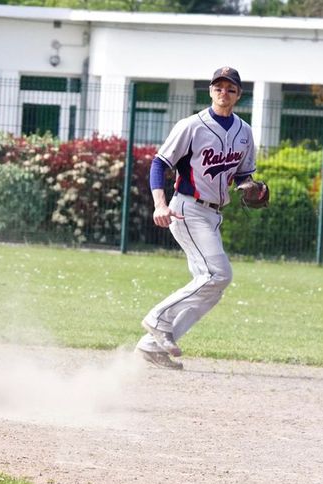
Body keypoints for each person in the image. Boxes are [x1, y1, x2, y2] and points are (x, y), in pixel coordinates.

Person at [136, 66, 258, 370]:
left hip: (214, 215)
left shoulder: (244, 132)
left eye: (230, 88)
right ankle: (156, 319)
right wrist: (159, 204)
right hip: (187, 209)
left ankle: (152, 346)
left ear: (238, 95)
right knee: (218, 275)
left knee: (211, 288)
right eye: (218, 87)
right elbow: (159, 163)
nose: (223, 92)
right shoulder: (192, 125)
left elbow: (243, 174)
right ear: (210, 90)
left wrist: (251, 187)